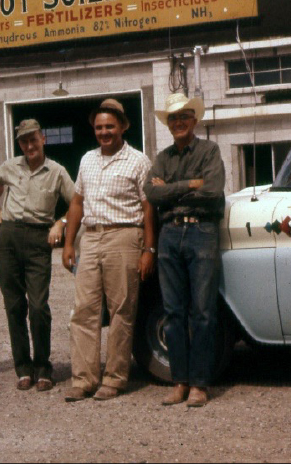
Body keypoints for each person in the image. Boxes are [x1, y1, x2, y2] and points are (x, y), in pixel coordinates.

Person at [61, 98, 156, 402]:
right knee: (84, 310)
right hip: (91, 237)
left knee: (121, 310)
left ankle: (115, 378)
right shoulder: (87, 159)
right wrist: (68, 242)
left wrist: (148, 249)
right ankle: (84, 378)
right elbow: (77, 202)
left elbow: (148, 206)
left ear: (122, 127)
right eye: (99, 127)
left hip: (125, 237)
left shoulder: (139, 161)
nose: (104, 132)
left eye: (110, 127)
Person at [144, 93, 226, 408]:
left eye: (184, 117)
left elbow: (213, 190)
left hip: (202, 232)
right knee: (173, 312)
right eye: (173, 118)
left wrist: (171, 189)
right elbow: (151, 191)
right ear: (169, 124)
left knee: (203, 311)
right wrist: (189, 185)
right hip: (169, 234)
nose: (179, 122)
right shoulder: (162, 156)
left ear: (194, 120)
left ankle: (200, 384)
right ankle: (179, 381)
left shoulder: (209, 150)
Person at [0, 119, 75, 392]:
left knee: (37, 306)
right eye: (24, 141)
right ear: (20, 144)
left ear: (43, 139)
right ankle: (23, 368)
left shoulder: (57, 171)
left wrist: (60, 222)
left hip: (38, 239)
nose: (29, 145)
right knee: (14, 306)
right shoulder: (10, 167)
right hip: (9, 238)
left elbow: (78, 203)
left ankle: (43, 366)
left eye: (33, 139)